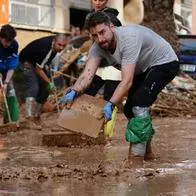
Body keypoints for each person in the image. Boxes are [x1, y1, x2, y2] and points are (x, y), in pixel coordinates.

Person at [59, 12, 180, 163]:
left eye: (102, 32)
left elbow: (127, 81)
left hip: (164, 62)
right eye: (94, 36)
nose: (100, 39)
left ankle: (135, 160)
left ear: (111, 27)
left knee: (139, 105)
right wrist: (74, 91)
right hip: (142, 68)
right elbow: (87, 75)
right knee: (129, 109)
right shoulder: (97, 47)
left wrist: (110, 104)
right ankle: (147, 153)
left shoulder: (128, 39)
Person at [84, 0, 122, 142]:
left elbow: (115, 44)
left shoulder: (111, 19)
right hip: (98, 66)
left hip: (113, 66)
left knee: (109, 101)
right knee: (87, 95)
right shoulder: (89, 18)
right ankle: (86, 129)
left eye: (101, 0)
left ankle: (107, 136)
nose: (97, 2)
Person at [19, 34, 70, 123]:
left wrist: (48, 77)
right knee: (34, 86)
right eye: (59, 45)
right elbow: (38, 70)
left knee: (45, 89)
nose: (61, 48)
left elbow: (44, 62)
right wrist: (49, 82)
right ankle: (29, 116)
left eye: (63, 45)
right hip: (27, 61)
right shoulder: (45, 48)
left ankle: (36, 115)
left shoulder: (54, 47)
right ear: (54, 41)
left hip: (37, 63)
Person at [0, 24, 20, 126]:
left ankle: (10, 120)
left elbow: (12, 66)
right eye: (6, 41)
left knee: (11, 92)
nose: (8, 44)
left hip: (6, 68)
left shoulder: (14, 45)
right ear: (1, 37)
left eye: (10, 41)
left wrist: (6, 82)